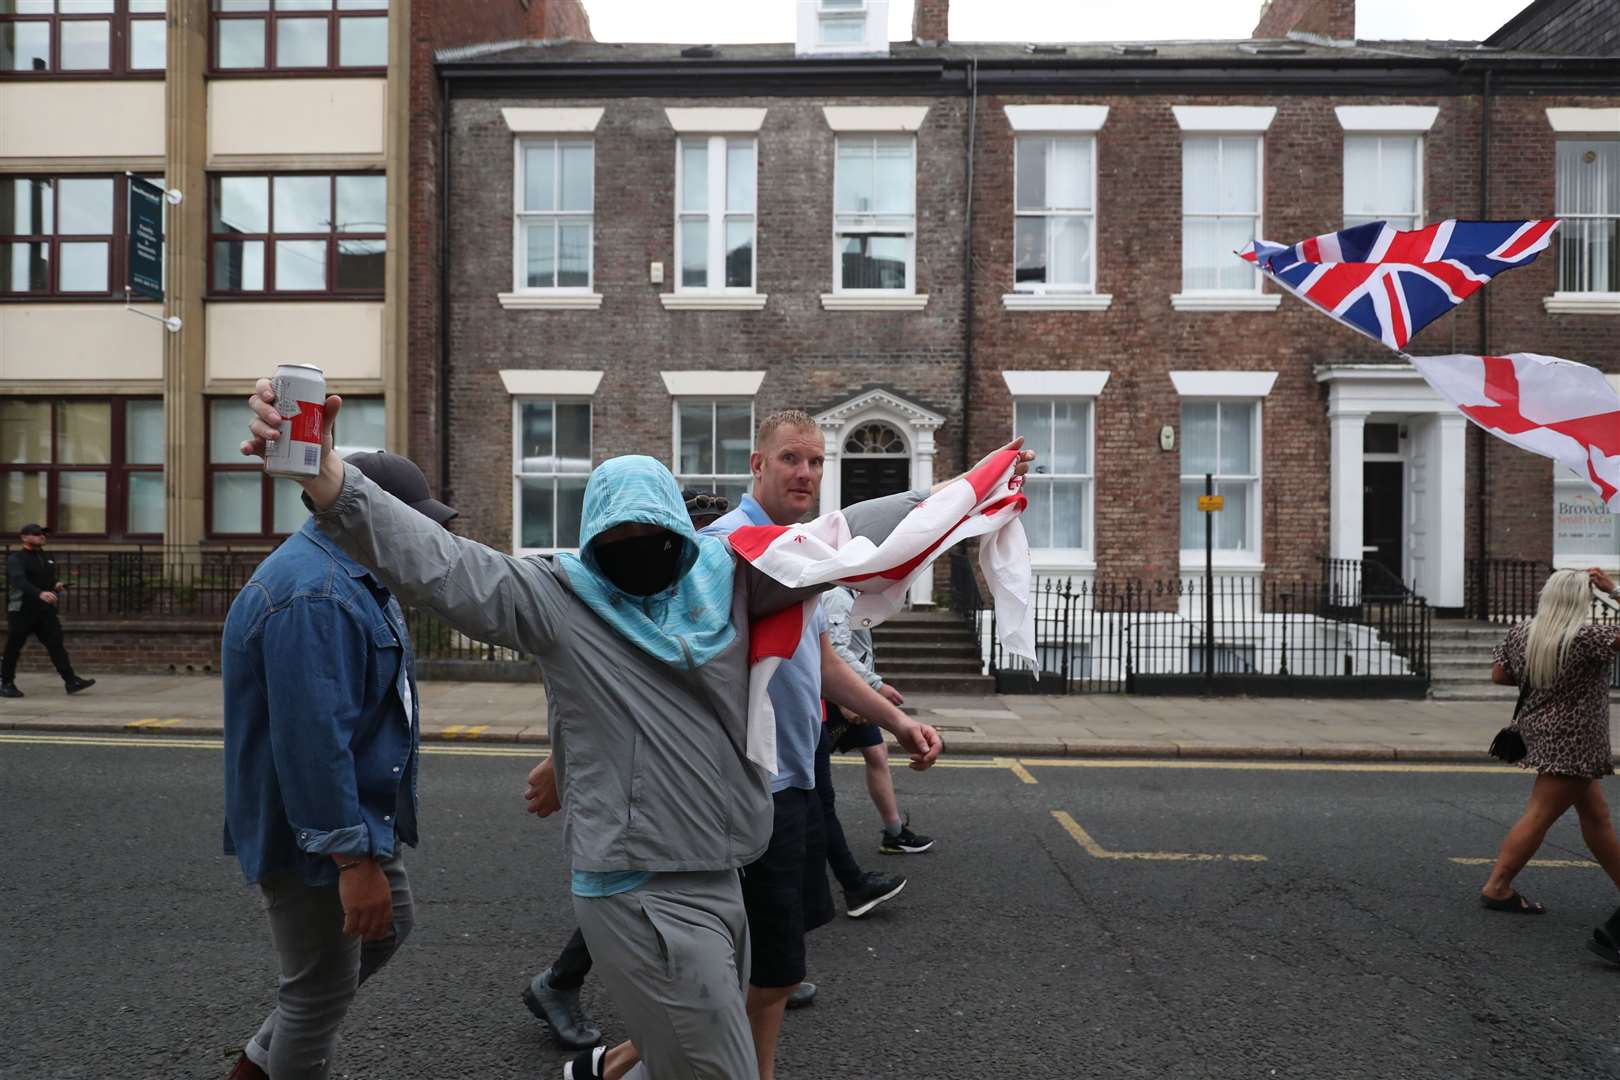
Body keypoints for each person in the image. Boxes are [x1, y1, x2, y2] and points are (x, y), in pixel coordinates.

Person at [243, 384, 1023, 1080]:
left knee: (687, 1052)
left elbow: (858, 540)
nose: (639, 550)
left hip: (724, 872)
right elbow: (433, 558)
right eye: (619, 539)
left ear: (683, 531)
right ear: (591, 539)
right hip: (636, 890)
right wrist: (321, 473)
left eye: (654, 534)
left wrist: (979, 493)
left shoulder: (733, 577)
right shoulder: (555, 596)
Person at [220, 452, 457, 1080]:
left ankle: (257, 1064)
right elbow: (312, 745)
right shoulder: (315, 596)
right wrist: (351, 861)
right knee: (316, 995)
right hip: (316, 833)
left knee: (389, 926)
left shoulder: (355, 575)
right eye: (408, 521)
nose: (417, 536)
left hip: (355, 814)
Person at [518, 491, 731, 1052]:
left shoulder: (738, 577)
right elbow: (586, 700)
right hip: (631, 841)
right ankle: (563, 986)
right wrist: (559, 763)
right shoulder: (581, 598)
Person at [1481, 568, 1620, 962]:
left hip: (1539, 729)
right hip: (1576, 740)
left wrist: (1546, 678)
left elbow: (1499, 674)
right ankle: (1498, 886)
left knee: (1597, 818)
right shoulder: (1588, 638)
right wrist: (1614, 590)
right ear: (1583, 600)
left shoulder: (1523, 631)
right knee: (1539, 815)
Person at [822, 584, 935, 856]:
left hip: (855, 694)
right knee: (812, 767)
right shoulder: (838, 597)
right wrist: (872, 686)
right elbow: (835, 651)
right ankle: (804, 835)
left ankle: (894, 833)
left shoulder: (854, 596)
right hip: (841, 695)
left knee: (877, 752)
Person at [2, 523, 94, 699]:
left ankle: (71, 681)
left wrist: (55, 586)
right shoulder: (17, 558)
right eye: (36, 534)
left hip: (44, 610)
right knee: (14, 647)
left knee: (56, 644)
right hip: (22, 609)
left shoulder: (46, 557)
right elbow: (19, 581)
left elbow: (47, 580)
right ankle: (6, 683)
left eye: (43, 534)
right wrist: (39, 593)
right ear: (24, 537)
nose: (41, 536)